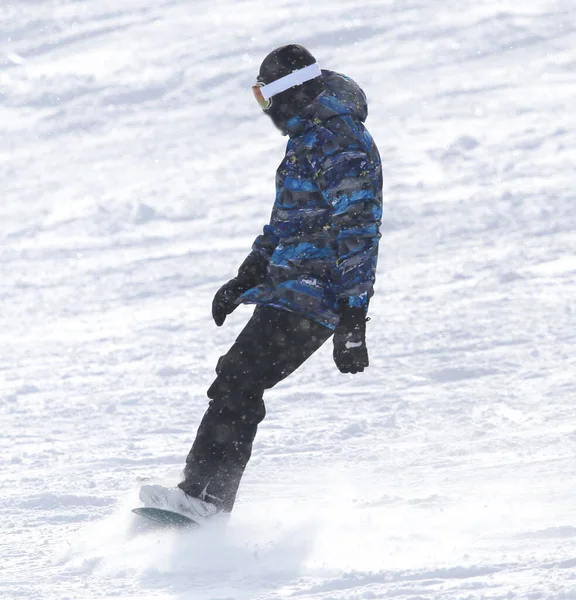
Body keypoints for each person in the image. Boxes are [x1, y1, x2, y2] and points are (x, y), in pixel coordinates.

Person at [139, 44, 383, 522]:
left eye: (265, 97)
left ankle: (205, 500)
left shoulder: (340, 141)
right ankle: (204, 500)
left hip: (320, 292)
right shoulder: (308, 137)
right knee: (238, 378)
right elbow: (288, 220)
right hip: (291, 286)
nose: (266, 109)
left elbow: (359, 228)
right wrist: (248, 273)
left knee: (239, 377)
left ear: (289, 94)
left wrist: (354, 313)